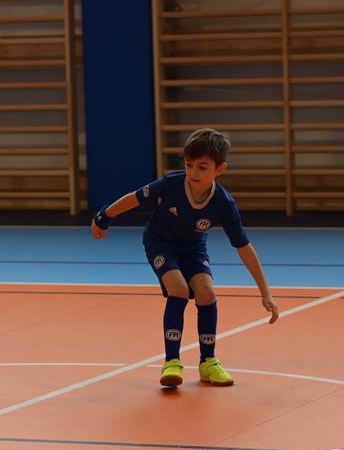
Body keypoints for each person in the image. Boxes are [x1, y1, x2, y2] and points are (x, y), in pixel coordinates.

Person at [91, 127, 279, 387]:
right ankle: (172, 362)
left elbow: (244, 247)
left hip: (193, 248)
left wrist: (265, 293)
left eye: (202, 167)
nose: (193, 172)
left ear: (220, 169)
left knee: (206, 293)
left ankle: (208, 362)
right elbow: (134, 198)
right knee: (179, 289)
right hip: (159, 244)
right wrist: (104, 216)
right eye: (189, 165)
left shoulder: (224, 204)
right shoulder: (171, 184)